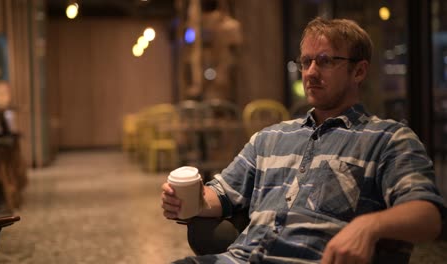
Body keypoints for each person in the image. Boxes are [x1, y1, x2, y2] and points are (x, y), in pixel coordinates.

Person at [161, 17, 445, 264]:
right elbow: (220, 195)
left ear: (358, 71)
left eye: (325, 61)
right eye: (306, 61)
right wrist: (192, 200)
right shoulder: (270, 138)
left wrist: (368, 226)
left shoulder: (387, 139)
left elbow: (428, 216)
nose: (310, 72)